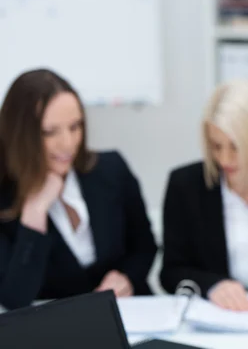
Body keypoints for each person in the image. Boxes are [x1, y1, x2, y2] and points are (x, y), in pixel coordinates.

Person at [0, 69, 158, 310]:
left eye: (75, 127)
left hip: (129, 314)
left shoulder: (111, 169)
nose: (68, 143)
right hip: (60, 329)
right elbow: (14, 298)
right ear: (20, 134)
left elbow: (144, 246)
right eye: (50, 132)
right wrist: (36, 211)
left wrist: (125, 277)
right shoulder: (4, 199)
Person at [160, 80, 248, 317]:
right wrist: (211, 285)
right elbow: (171, 273)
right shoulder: (185, 185)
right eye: (216, 146)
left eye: (235, 147)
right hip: (216, 323)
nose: (224, 159)